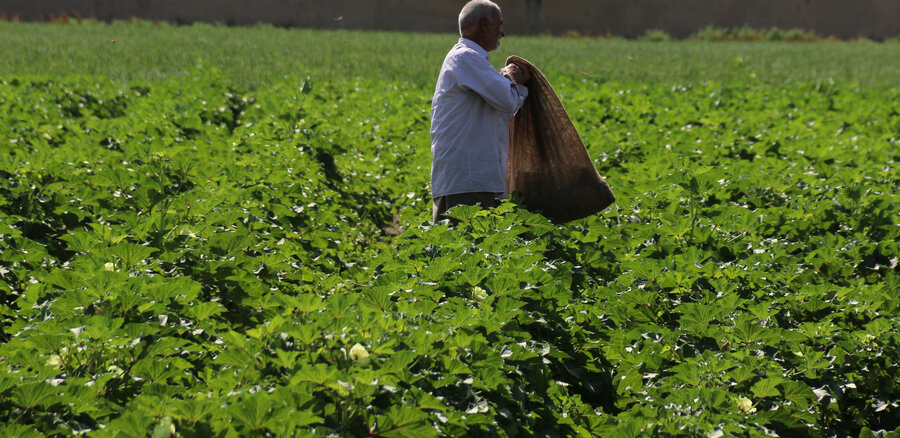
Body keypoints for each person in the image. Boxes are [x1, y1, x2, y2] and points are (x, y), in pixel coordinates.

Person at [430, 0, 531, 223]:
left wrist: (512, 85)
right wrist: (513, 78)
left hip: (475, 181)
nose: (502, 33)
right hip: (467, 182)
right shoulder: (465, 58)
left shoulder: (473, 62)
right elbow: (508, 101)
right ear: (484, 24)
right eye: (499, 25)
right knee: (463, 242)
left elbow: (502, 111)